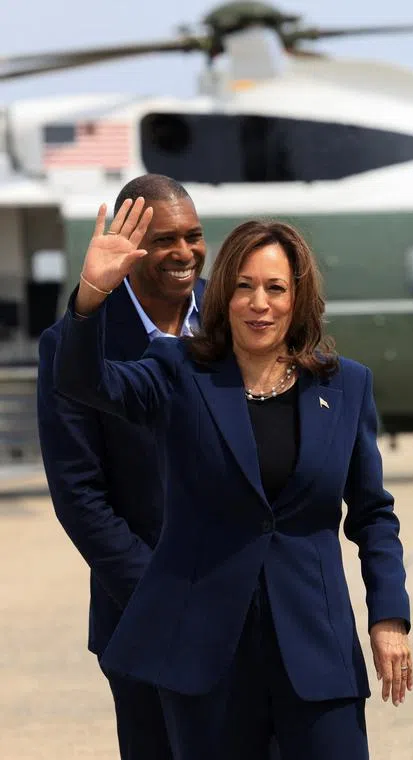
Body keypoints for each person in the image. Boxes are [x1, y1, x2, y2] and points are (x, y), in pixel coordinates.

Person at [51, 200, 412, 760]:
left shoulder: (346, 386)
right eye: (244, 287)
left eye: (275, 287)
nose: (259, 304)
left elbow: (372, 515)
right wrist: (92, 296)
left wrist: (389, 617)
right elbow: (83, 383)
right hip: (205, 656)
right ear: (224, 297)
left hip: (316, 650)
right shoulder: (177, 372)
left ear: (299, 298)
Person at [36, 174, 205, 760]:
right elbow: (80, 494)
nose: (183, 253)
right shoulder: (75, 343)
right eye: (163, 241)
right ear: (131, 247)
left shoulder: (243, 318)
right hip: (144, 615)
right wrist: (164, 598)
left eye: (194, 236)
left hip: (254, 611)